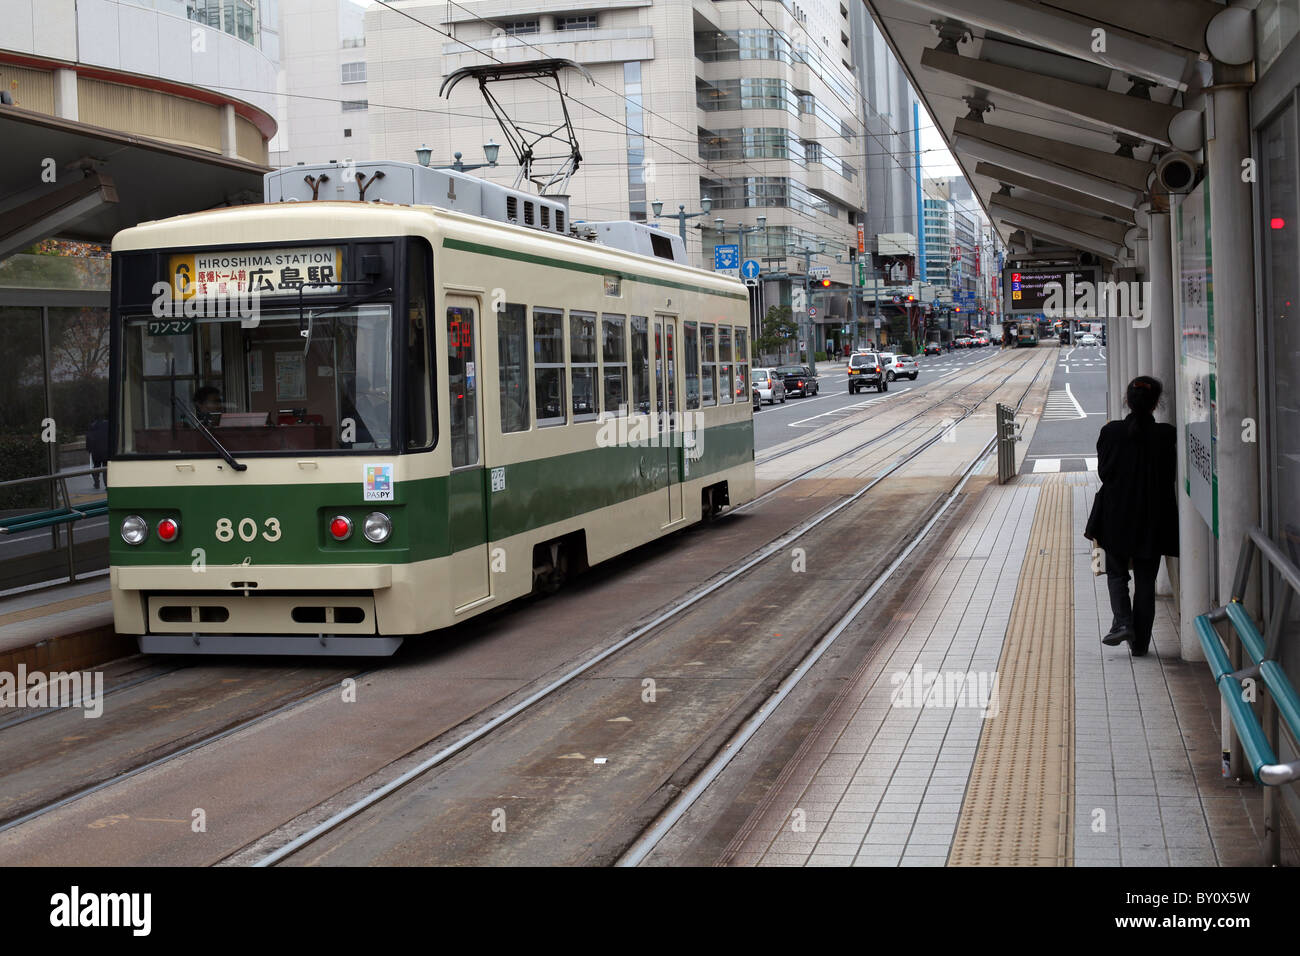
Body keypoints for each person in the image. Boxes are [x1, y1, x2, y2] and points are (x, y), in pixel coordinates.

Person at [1084, 376, 1178, 656]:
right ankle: (1140, 646)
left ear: (1127, 400)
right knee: (1146, 581)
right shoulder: (1166, 434)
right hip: (1153, 517)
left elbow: (1104, 472)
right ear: (1156, 403)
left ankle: (1123, 622)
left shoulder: (1111, 432)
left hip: (1115, 515)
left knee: (1116, 573)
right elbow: (1169, 476)